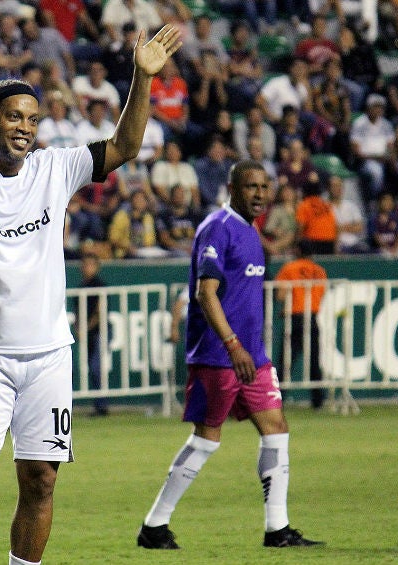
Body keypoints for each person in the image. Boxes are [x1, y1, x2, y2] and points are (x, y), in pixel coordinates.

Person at [0, 13, 181, 565]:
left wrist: (144, 78)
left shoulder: (55, 169)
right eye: (13, 116)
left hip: (47, 358)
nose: (25, 127)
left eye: (33, 119)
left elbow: (127, 145)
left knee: (40, 480)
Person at [137, 159, 322, 550]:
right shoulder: (217, 228)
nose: (260, 194)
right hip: (218, 355)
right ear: (233, 188)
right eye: (251, 187)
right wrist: (232, 344)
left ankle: (278, 529)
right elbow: (205, 294)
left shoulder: (253, 233)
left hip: (252, 355)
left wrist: (247, 349)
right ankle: (154, 525)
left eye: (264, 187)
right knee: (205, 440)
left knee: (276, 431)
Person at [274, 242, 327, 409]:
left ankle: (278, 399)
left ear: (297, 251)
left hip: (294, 318)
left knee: (285, 361)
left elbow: (281, 294)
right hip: (311, 317)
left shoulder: (289, 268)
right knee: (313, 361)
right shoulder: (319, 271)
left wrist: (284, 308)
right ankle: (317, 401)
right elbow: (321, 294)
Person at [78, 253, 108, 416]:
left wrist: (86, 327)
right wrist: (79, 327)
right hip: (90, 333)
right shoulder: (82, 286)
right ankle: (99, 405)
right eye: (84, 264)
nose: (86, 268)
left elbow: (99, 310)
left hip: (100, 331)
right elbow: (78, 311)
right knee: (92, 368)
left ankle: (102, 405)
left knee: (97, 368)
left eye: (90, 264)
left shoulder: (99, 285)